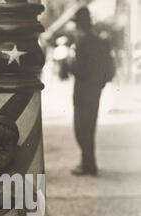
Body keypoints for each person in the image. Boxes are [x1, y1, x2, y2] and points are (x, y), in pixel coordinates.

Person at [68, 7, 116, 176]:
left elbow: (78, 69)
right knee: (89, 127)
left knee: (81, 128)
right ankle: (88, 162)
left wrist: (70, 62)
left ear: (80, 26)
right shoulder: (101, 41)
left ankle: (88, 165)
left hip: (82, 91)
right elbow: (109, 68)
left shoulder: (83, 43)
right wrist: (100, 83)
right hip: (95, 90)